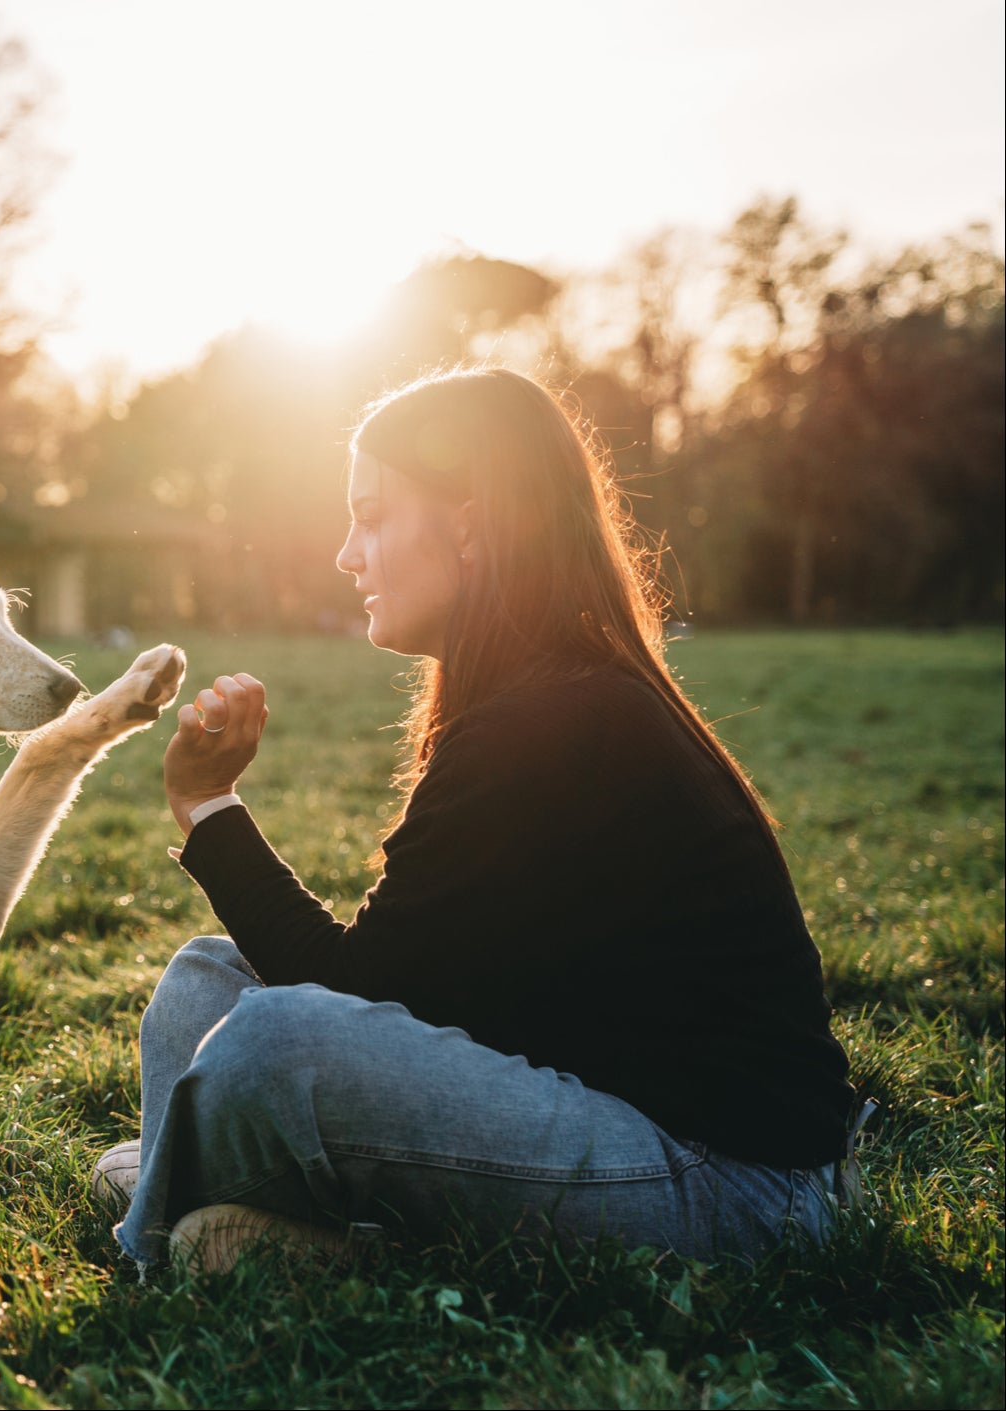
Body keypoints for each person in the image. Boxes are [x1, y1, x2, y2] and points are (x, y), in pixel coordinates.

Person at [99, 367, 863, 1275]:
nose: (348, 553)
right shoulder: (536, 698)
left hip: (737, 1191)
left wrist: (208, 808)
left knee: (277, 1040)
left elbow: (351, 993)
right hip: (603, 1105)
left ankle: (180, 1216)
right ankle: (247, 1217)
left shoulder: (561, 718)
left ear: (466, 522)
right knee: (205, 980)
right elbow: (423, 996)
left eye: (373, 517)